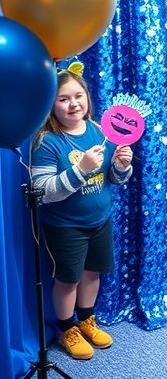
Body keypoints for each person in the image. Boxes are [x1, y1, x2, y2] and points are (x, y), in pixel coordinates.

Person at [31, 65, 133, 360]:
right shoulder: (47, 142)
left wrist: (122, 166)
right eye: (63, 99)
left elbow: (113, 178)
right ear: (50, 103)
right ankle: (67, 328)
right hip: (65, 226)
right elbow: (44, 192)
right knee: (69, 279)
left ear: (87, 97)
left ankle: (87, 319)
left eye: (79, 95)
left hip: (101, 221)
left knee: (92, 273)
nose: (74, 103)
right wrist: (80, 170)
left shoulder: (101, 131)